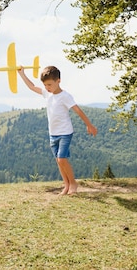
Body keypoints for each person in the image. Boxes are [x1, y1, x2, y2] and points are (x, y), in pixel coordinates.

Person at [18, 65, 97, 195]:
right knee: (58, 161)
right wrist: (22, 74)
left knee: (62, 159)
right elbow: (31, 87)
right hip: (53, 134)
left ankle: (73, 183)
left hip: (65, 132)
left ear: (58, 81)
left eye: (49, 84)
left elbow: (77, 110)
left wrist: (89, 125)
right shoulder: (47, 94)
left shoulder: (65, 96)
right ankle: (66, 185)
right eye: (45, 85)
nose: (47, 88)